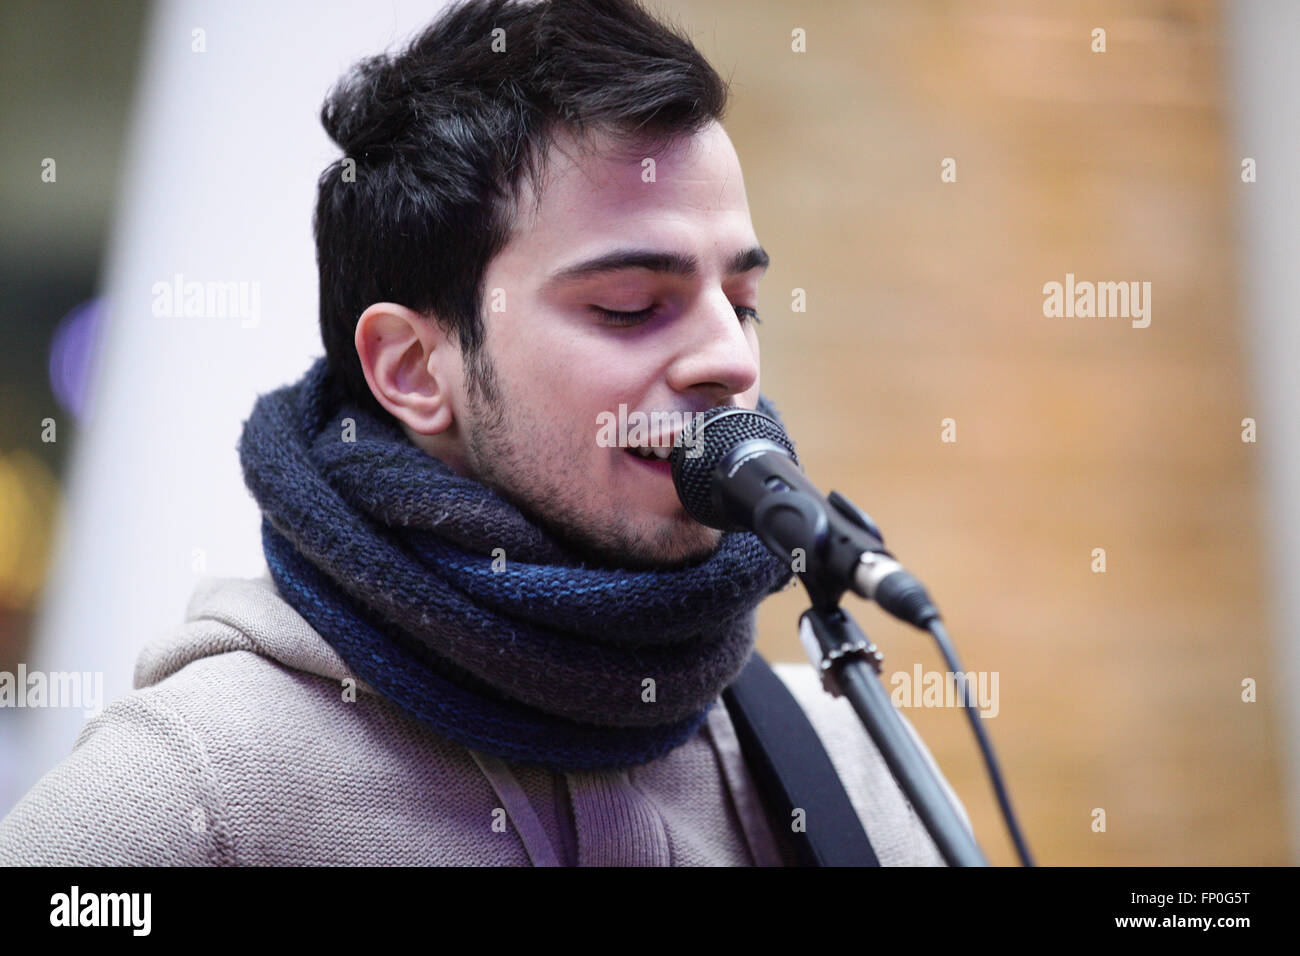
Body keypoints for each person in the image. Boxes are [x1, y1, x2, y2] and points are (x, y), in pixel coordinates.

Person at [0, 0, 969, 866]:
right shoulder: (191, 791)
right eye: (632, 305)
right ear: (415, 369)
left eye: (742, 298)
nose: (729, 357)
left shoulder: (849, 753)